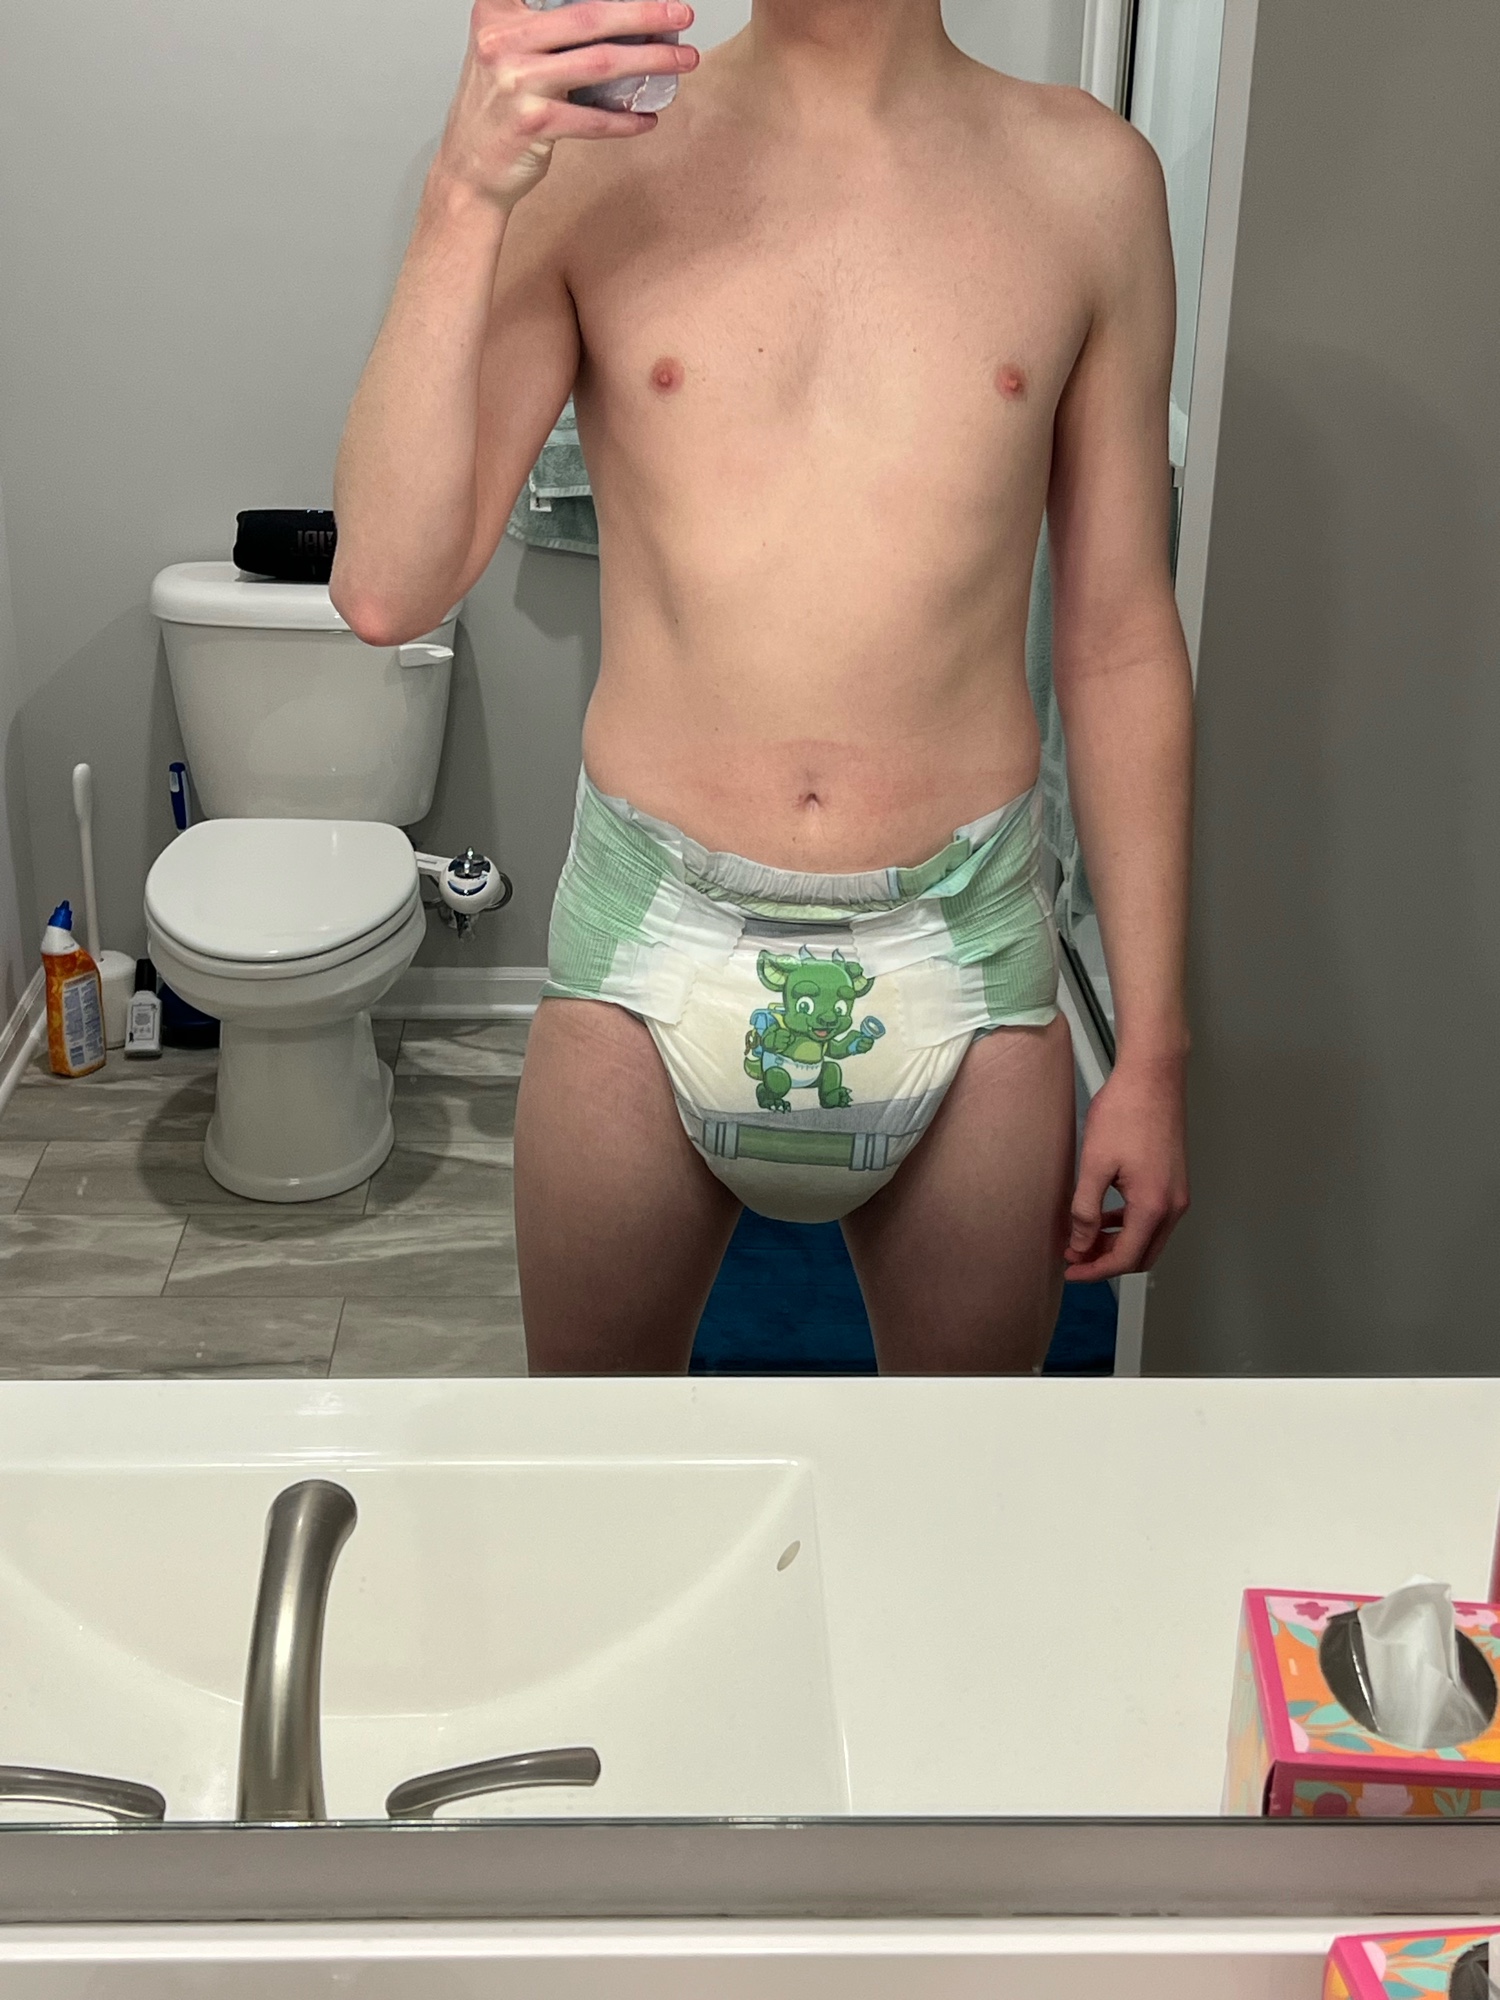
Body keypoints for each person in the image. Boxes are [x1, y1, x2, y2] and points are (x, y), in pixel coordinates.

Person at [330, 0, 1193, 1374]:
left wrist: (1150, 1053)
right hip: (650, 946)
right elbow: (386, 587)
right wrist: (462, 194)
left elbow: (1121, 639)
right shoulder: (593, 164)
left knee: (959, 1479)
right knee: (599, 1469)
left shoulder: (1089, 181)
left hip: (964, 957)